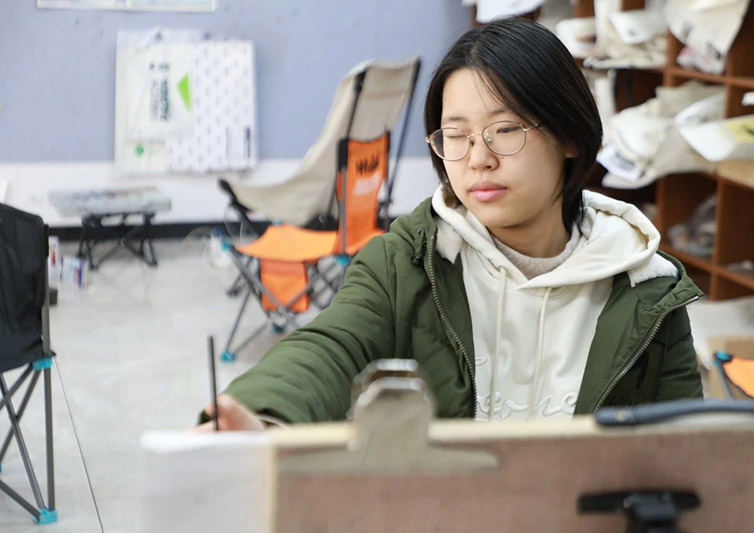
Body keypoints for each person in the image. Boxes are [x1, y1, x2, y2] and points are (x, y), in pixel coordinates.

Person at [196, 17, 703, 431]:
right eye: (455, 136)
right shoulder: (404, 264)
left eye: (505, 129)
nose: (478, 159)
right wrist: (261, 415)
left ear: (569, 135)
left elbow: (688, 452)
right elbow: (333, 346)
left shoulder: (648, 288)